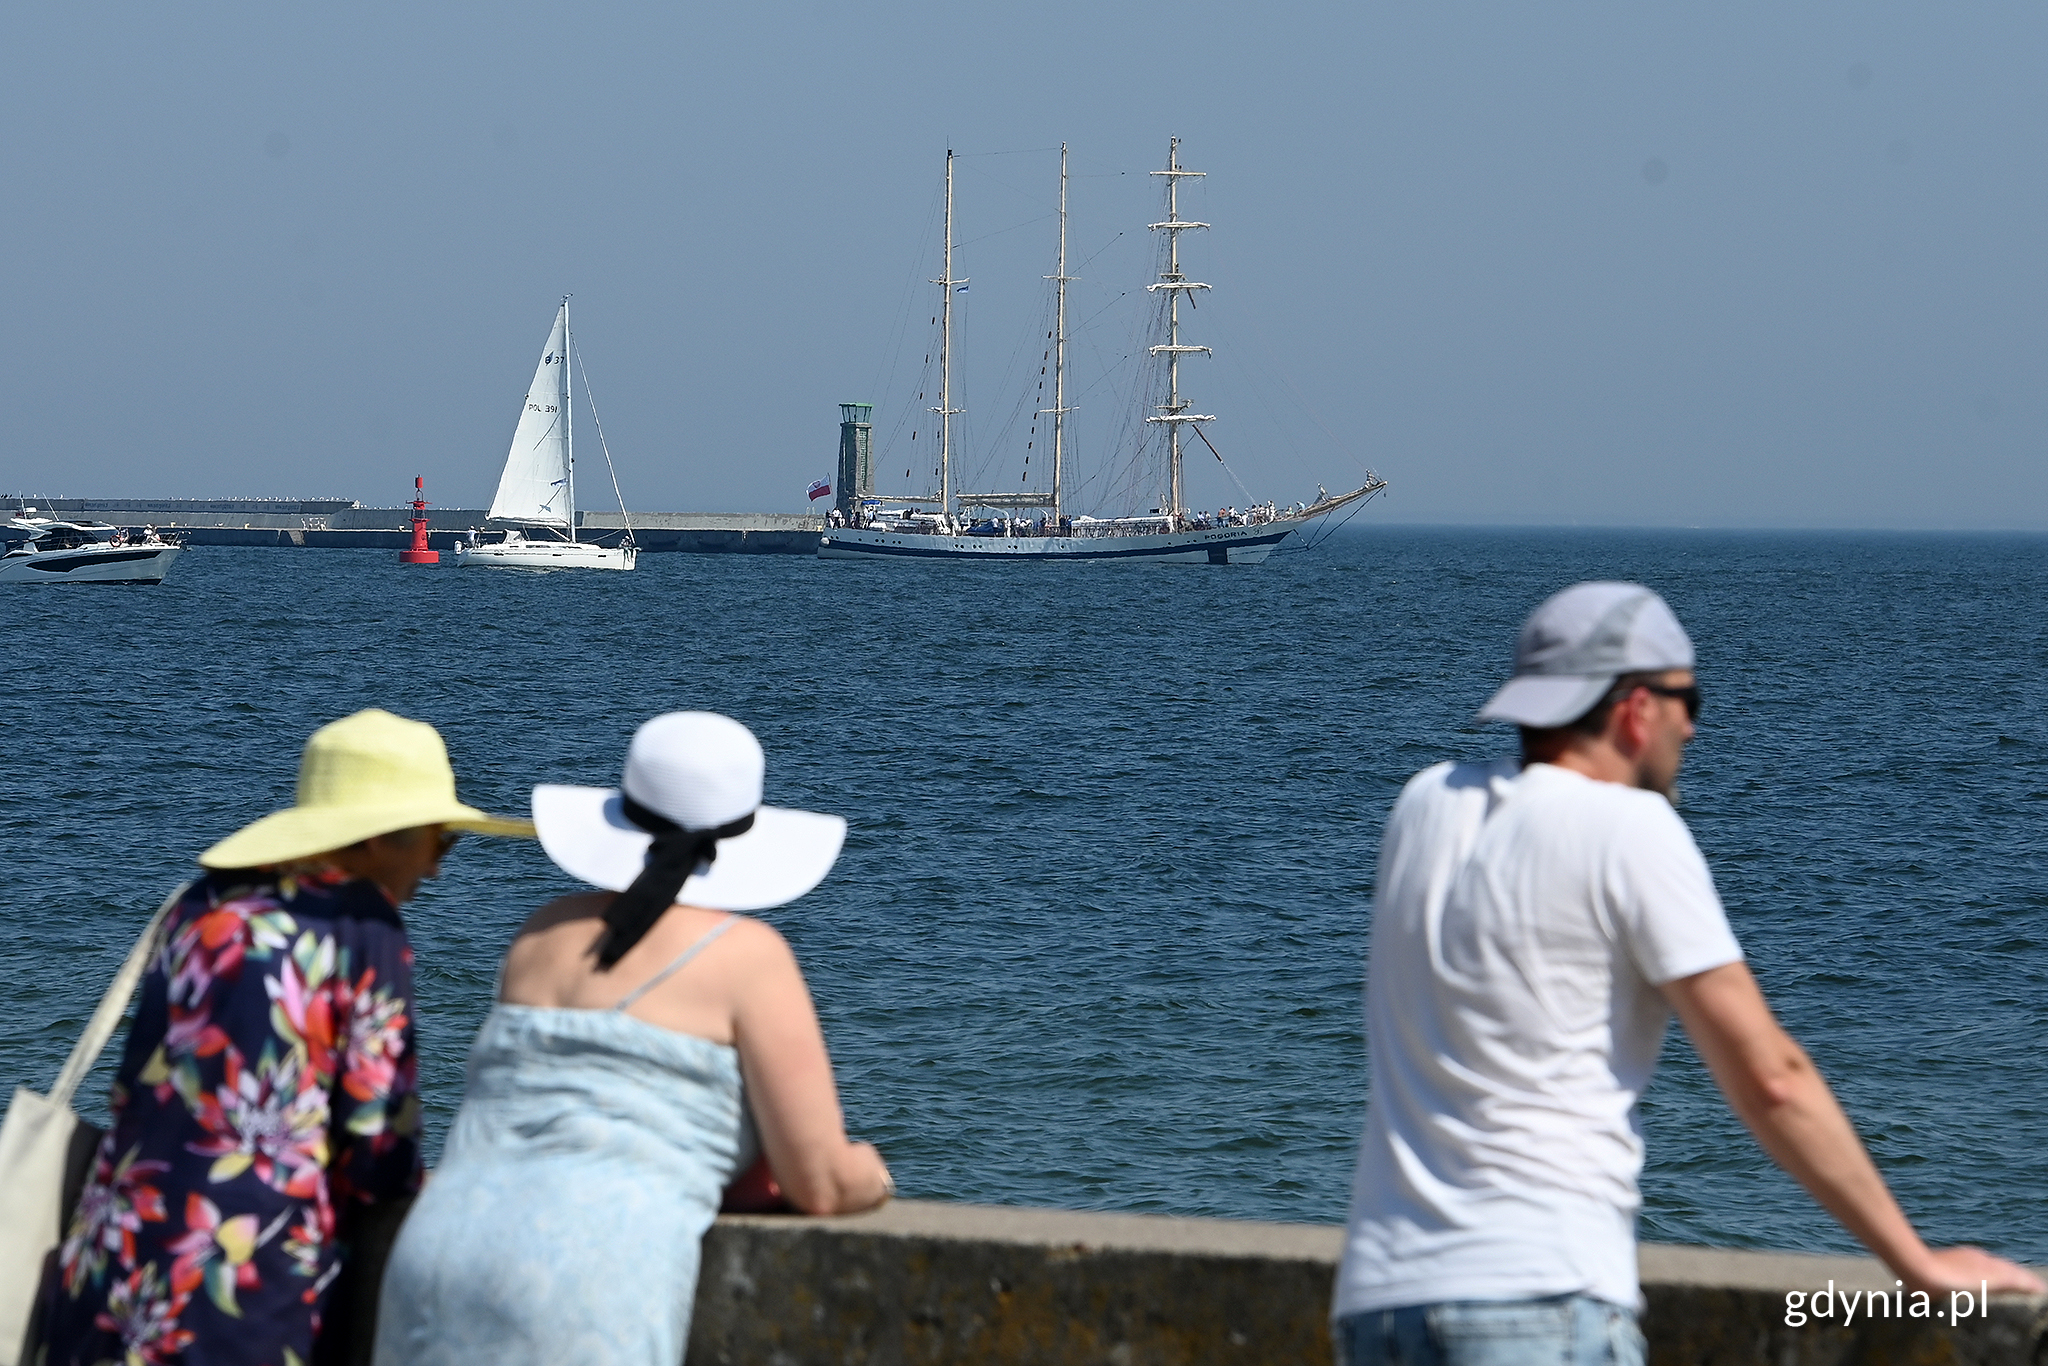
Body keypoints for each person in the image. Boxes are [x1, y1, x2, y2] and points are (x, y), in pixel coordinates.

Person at [1332, 582, 2043, 1366]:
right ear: (1637, 709)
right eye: (1687, 699)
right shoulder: (1629, 828)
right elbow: (1771, 1078)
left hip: (1380, 1307)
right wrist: (1919, 1266)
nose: (1694, 727)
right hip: (1538, 1300)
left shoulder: (1424, 805)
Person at [374, 711, 892, 1366]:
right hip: (590, 1279)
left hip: (437, 1253)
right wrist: (872, 1173)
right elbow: (821, 1183)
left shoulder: (541, 936)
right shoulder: (750, 958)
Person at [37, 709, 530, 1366]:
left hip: (116, 1250)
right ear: (379, 838)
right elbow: (377, 1139)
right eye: (441, 843)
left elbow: (140, 1077)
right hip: (243, 1274)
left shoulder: (203, 901)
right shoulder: (363, 926)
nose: (437, 870)